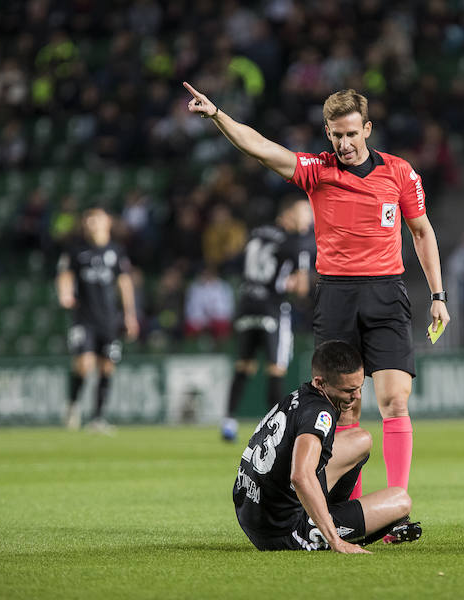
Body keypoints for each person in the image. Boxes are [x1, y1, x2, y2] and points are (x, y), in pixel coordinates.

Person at [183, 82, 450, 494]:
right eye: (336, 134)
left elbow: (421, 232)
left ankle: (397, 503)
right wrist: (219, 115)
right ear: (328, 132)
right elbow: (259, 147)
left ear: (367, 129)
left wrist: (437, 294)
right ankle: (351, 509)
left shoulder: (399, 172)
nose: (344, 143)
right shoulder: (317, 170)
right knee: (346, 407)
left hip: (386, 293)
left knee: (395, 399)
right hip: (336, 296)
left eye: (351, 133)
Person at [234, 340, 421, 552]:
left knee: (361, 439)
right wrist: (336, 541)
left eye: (359, 387)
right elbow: (300, 476)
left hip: (253, 510)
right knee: (400, 500)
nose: (357, 396)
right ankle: (325, 528)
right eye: (348, 390)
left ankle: (328, 512)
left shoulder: (300, 396)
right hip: (283, 530)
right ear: (320, 382)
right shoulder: (320, 414)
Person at [222, 197, 313, 441]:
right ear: (290, 215)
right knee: (276, 367)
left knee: (244, 365)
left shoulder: (257, 233)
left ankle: (228, 421)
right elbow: (301, 287)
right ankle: (274, 426)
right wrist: (294, 284)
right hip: (272, 307)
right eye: (305, 215)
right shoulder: (296, 242)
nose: (309, 221)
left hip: (246, 304)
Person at [56, 206, 139, 432]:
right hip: (84, 318)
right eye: (89, 219)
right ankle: (73, 405)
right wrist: (64, 293)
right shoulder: (75, 251)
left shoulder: (116, 251)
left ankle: (98, 418)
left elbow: (124, 283)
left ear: (107, 223)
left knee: (107, 367)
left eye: (98, 219)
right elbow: (65, 275)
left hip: (109, 319)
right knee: (84, 365)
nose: (93, 223)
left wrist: (130, 315)